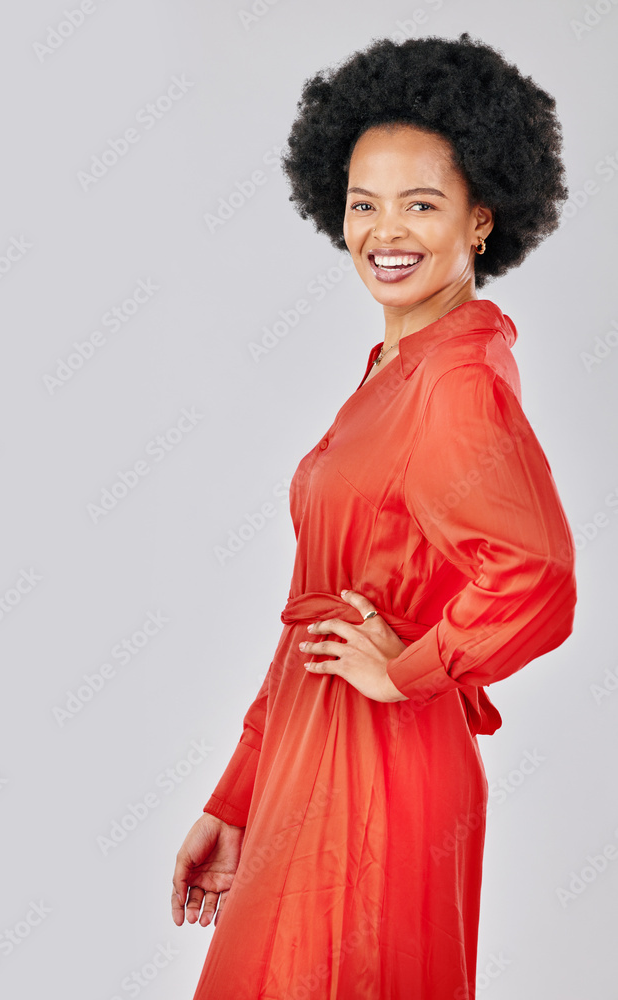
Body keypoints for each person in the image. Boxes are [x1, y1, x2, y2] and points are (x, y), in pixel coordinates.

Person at [171, 34, 577, 1000]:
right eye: (363, 203)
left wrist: (406, 671)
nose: (384, 230)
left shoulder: (457, 380)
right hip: (310, 761)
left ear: (481, 220)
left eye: (420, 203)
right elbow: (315, 617)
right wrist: (237, 798)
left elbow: (539, 576)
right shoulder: (393, 373)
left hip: (381, 778)